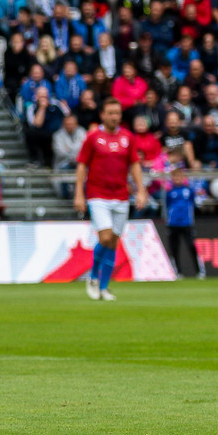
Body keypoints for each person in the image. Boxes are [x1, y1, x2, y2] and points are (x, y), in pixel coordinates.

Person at [74, 97, 148, 302]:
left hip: (121, 195)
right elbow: (82, 165)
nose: (115, 117)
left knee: (114, 241)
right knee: (105, 237)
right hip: (98, 194)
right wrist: (79, 193)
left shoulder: (127, 137)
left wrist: (141, 190)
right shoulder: (93, 138)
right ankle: (93, 276)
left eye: (117, 113)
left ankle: (104, 287)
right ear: (103, 115)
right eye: (111, 113)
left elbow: (134, 164)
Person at [165, 167, 203, 279]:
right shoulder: (170, 192)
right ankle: (178, 272)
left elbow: (193, 204)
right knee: (174, 248)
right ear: (172, 178)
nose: (177, 179)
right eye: (175, 177)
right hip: (173, 224)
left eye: (179, 176)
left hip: (186, 223)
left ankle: (199, 271)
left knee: (191, 246)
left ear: (183, 178)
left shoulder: (189, 191)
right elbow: (167, 206)